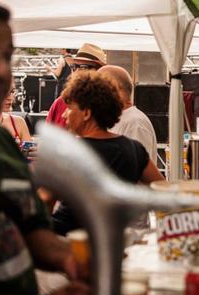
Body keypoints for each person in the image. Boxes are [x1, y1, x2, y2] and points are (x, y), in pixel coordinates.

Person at [0, 1, 90, 295]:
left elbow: (34, 234)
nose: (2, 70)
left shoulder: (1, 141)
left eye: (6, 56)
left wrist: (79, 260)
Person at [52, 70, 164, 235]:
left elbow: (45, 199)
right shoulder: (133, 149)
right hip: (115, 238)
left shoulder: (70, 152)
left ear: (87, 113)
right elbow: (163, 191)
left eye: (69, 108)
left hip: (71, 240)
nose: (64, 114)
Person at [98, 65, 158, 165]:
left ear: (114, 89)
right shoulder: (120, 119)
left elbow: (137, 172)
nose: (94, 93)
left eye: (98, 87)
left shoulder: (134, 123)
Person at [46, 43, 106, 128]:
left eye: (83, 67)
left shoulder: (106, 106)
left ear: (99, 71)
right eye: (74, 66)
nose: (76, 71)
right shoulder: (59, 103)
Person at [0, 79, 31, 145]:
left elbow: (29, 152)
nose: (11, 98)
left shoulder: (19, 122)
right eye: (4, 92)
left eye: (12, 92)